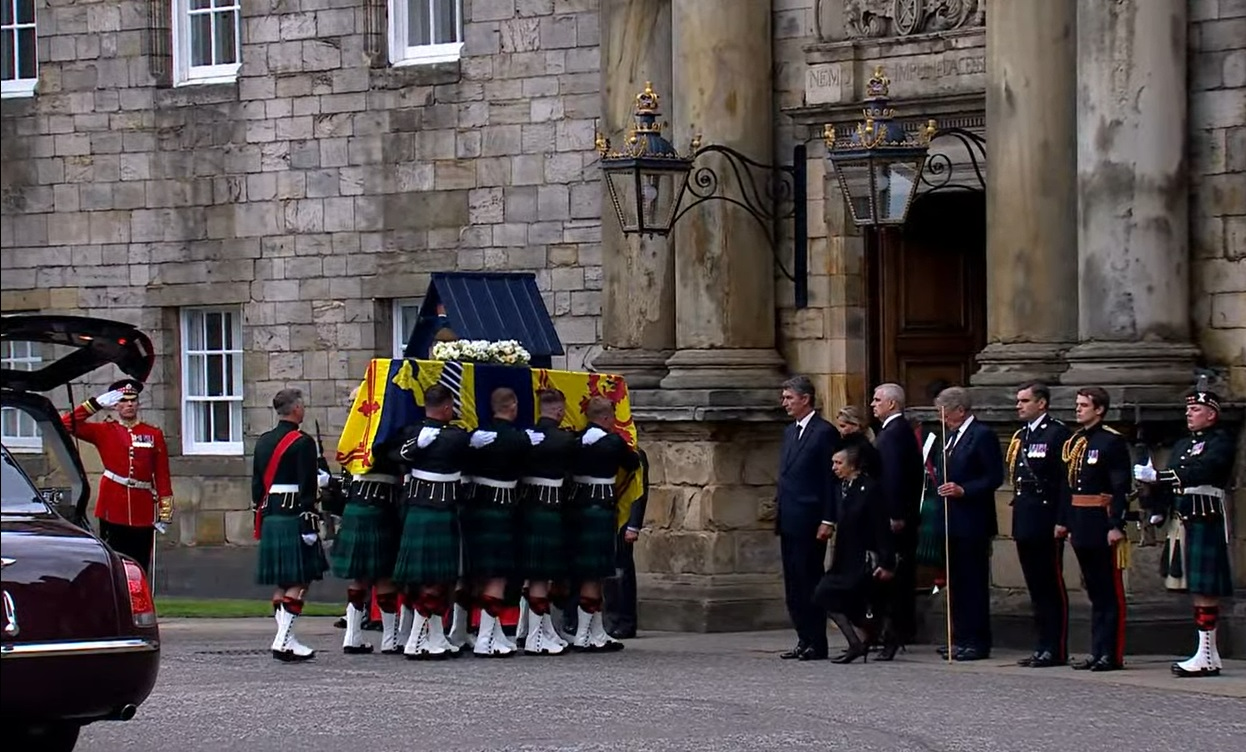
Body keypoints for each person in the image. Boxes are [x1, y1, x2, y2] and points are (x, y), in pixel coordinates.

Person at [1135, 382, 1236, 678]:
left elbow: (1202, 471)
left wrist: (1161, 476)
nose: (1189, 414)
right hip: (1185, 519)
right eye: (1188, 409)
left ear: (1211, 414)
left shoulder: (1220, 442)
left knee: (1206, 588)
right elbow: (1175, 483)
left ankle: (1205, 653)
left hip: (1206, 517)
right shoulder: (1183, 444)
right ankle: (1208, 653)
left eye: (1196, 409)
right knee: (1194, 586)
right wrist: (1157, 508)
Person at [390, 383, 471, 659]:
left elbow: (398, 453)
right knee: (432, 579)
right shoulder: (451, 436)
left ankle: (435, 635)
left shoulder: (414, 432)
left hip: (424, 510)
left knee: (439, 578)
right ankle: (415, 640)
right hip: (435, 511)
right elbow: (397, 454)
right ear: (447, 407)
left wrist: (415, 445)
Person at [61, 379, 174, 575]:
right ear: (115, 404)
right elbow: (66, 424)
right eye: (123, 400)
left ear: (138, 403)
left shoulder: (153, 434)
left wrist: (165, 509)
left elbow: (162, 474)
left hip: (142, 508)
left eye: (133, 400)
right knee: (114, 562)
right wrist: (94, 404)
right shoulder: (104, 430)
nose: (129, 404)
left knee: (139, 564)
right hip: (112, 506)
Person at [1058, 386, 1132, 672]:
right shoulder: (1076, 442)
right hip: (1081, 521)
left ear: (1099, 409)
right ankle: (1097, 649)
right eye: (1077, 404)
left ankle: (1110, 652)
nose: (1078, 409)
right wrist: (1065, 521)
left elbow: (1120, 487)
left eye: (1084, 405)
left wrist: (1116, 524)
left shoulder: (1110, 442)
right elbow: (1069, 485)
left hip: (1101, 522)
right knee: (1094, 591)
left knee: (1108, 591)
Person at [253, 388, 329, 662]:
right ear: (296, 409)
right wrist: (310, 520)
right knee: (300, 580)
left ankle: (287, 637)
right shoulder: (303, 442)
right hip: (295, 515)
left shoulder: (262, 441)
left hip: (272, 515)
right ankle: (283, 639)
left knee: (283, 582)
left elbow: (256, 486)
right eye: (303, 405)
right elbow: (307, 486)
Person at [330, 389, 405, 655]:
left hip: (356, 506)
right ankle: (389, 639)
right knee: (383, 575)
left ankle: (353, 636)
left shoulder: (353, 436)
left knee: (360, 576)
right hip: (378, 505)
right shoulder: (385, 434)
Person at [933, 386, 1003, 662]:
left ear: (960, 410)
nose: (942, 418)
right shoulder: (950, 437)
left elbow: (993, 477)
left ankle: (976, 641)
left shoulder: (981, 436)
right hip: (951, 520)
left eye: (945, 412)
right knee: (957, 583)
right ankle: (959, 637)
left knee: (973, 583)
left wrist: (965, 489)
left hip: (972, 520)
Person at [776, 375, 841, 662]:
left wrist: (828, 518)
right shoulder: (790, 432)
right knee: (793, 583)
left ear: (806, 398)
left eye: (789, 397)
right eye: (784, 397)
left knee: (809, 579)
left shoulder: (824, 432)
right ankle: (803, 637)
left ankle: (817, 640)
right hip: (789, 516)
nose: (785, 403)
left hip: (811, 517)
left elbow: (830, 480)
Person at [568, 395, 640, 651]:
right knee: (595, 573)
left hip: (578, 508)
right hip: (600, 510)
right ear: (607, 418)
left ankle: (595, 629)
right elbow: (633, 463)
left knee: (588, 572)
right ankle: (584, 634)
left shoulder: (575, 441)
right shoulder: (612, 442)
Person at [1008, 381, 1072, 668]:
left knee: (1050, 585)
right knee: (1035, 585)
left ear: (1042, 403)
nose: (1019, 406)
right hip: (1026, 516)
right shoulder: (1022, 435)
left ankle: (1055, 647)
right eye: (1018, 401)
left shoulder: (1057, 433)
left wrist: (1062, 519)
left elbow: (1063, 482)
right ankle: (1041, 644)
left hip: (1047, 517)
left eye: (1024, 401)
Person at [463, 387, 531, 656]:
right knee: (498, 576)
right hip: (502, 509)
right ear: (512, 406)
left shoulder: (477, 437)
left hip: (477, 507)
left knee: (480, 575)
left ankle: (491, 633)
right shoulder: (517, 440)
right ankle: (484, 639)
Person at [814, 443, 894, 664]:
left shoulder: (869, 489)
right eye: (833, 463)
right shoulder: (842, 487)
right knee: (825, 595)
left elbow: (881, 528)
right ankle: (862, 640)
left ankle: (870, 638)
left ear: (853, 465)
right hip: (845, 556)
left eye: (839, 463)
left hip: (864, 556)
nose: (834, 467)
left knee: (831, 594)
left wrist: (887, 562)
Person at [516, 389, 578, 655]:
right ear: (560, 411)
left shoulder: (525, 438)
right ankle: (536, 636)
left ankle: (530, 629)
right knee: (542, 573)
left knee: (532, 573)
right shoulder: (563, 440)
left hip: (527, 507)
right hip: (549, 508)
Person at [869, 383, 923, 660]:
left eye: (877, 400)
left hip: (894, 517)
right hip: (898, 514)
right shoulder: (895, 431)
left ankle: (893, 634)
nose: (872, 404)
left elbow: (892, 478)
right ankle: (895, 631)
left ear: (892, 404)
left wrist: (894, 514)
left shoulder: (893, 434)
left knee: (893, 576)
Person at [604, 447, 649, 640]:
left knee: (622, 573)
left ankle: (625, 622)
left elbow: (639, 492)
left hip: (624, 521)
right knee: (608, 574)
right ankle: (610, 620)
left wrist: (634, 525)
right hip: (607, 517)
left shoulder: (635, 453)